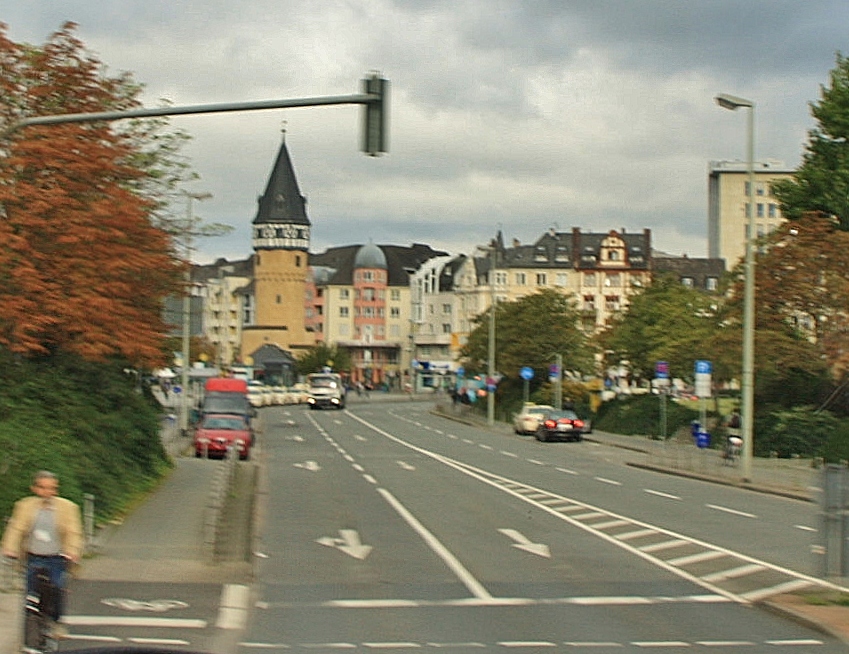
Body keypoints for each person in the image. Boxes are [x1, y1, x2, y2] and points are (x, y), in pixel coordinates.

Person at [2, 470, 84, 639]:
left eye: (52, 488)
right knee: (30, 594)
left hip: (57, 558)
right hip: (33, 557)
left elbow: (73, 532)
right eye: (43, 488)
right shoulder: (25, 506)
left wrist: (72, 551)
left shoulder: (67, 508)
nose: (48, 492)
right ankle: (28, 634)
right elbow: (16, 528)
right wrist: (10, 548)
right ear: (35, 488)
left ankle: (56, 621)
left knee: (57, 588)